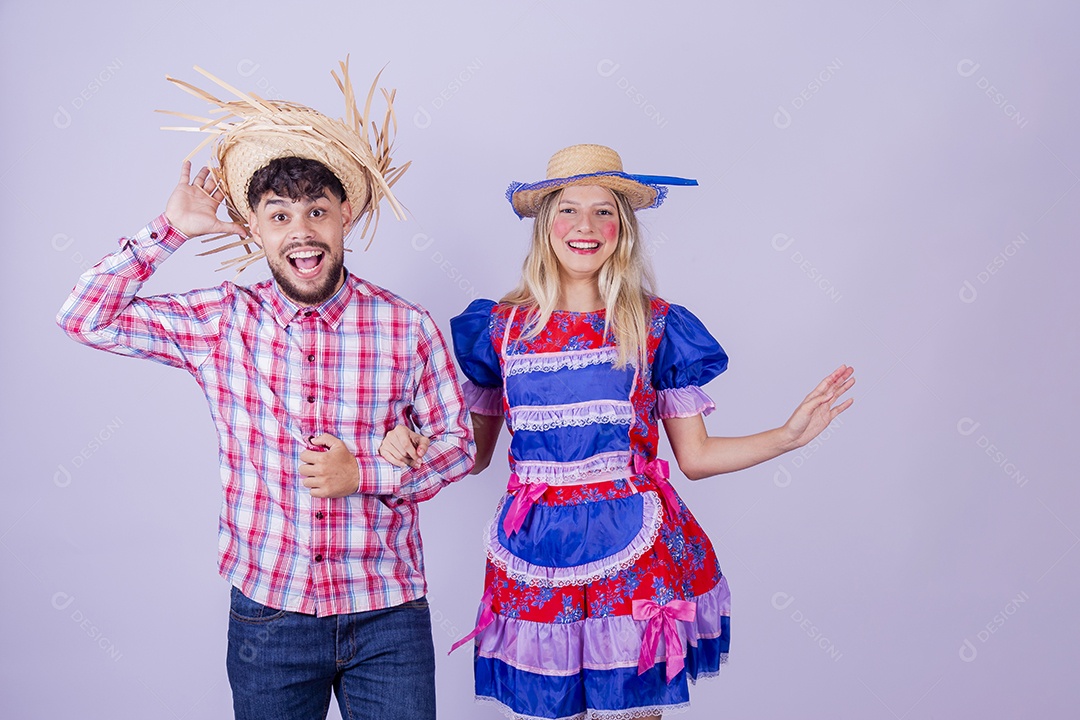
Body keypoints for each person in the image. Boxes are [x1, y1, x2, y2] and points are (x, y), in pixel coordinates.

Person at [56, 60, 472, 720]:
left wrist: (367, 472)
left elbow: (458, 445)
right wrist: (167, 233)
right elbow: (84, 316)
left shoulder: (406, 324)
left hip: (388, 615)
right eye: (279, 215)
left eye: (316, 211)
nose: (301, 231)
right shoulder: (223, 320)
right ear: (255, 230)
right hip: (270, 620)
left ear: (345, 216)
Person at [448, 144, 854, 720]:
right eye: (567, 209)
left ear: (624, 228)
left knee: (630, 715)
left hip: (632, 548)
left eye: (604, 211)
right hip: (534, 550)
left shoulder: (655, 325)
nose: (585, 226)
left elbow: (696, 455)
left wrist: (787, 436)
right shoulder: (498, 328)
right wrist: (399, 439)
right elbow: (472, 456)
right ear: (545, 225)